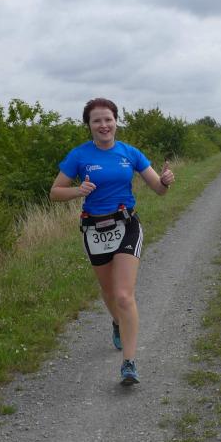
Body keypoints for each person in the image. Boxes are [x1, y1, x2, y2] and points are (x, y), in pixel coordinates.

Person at [49, 98, 174, 386]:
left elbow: (159, 189)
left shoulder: (130, 153)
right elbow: (55, 192)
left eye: (108, 119)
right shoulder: (79, 155)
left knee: (123, 295)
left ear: (116, 121)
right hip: (94, 229)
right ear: (89, 125)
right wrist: (78, 190)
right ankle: (117, 322)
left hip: (126, 224)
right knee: (108, 292)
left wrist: (166, 181)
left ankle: (129, 363)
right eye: (97, 120)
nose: (104, 125)